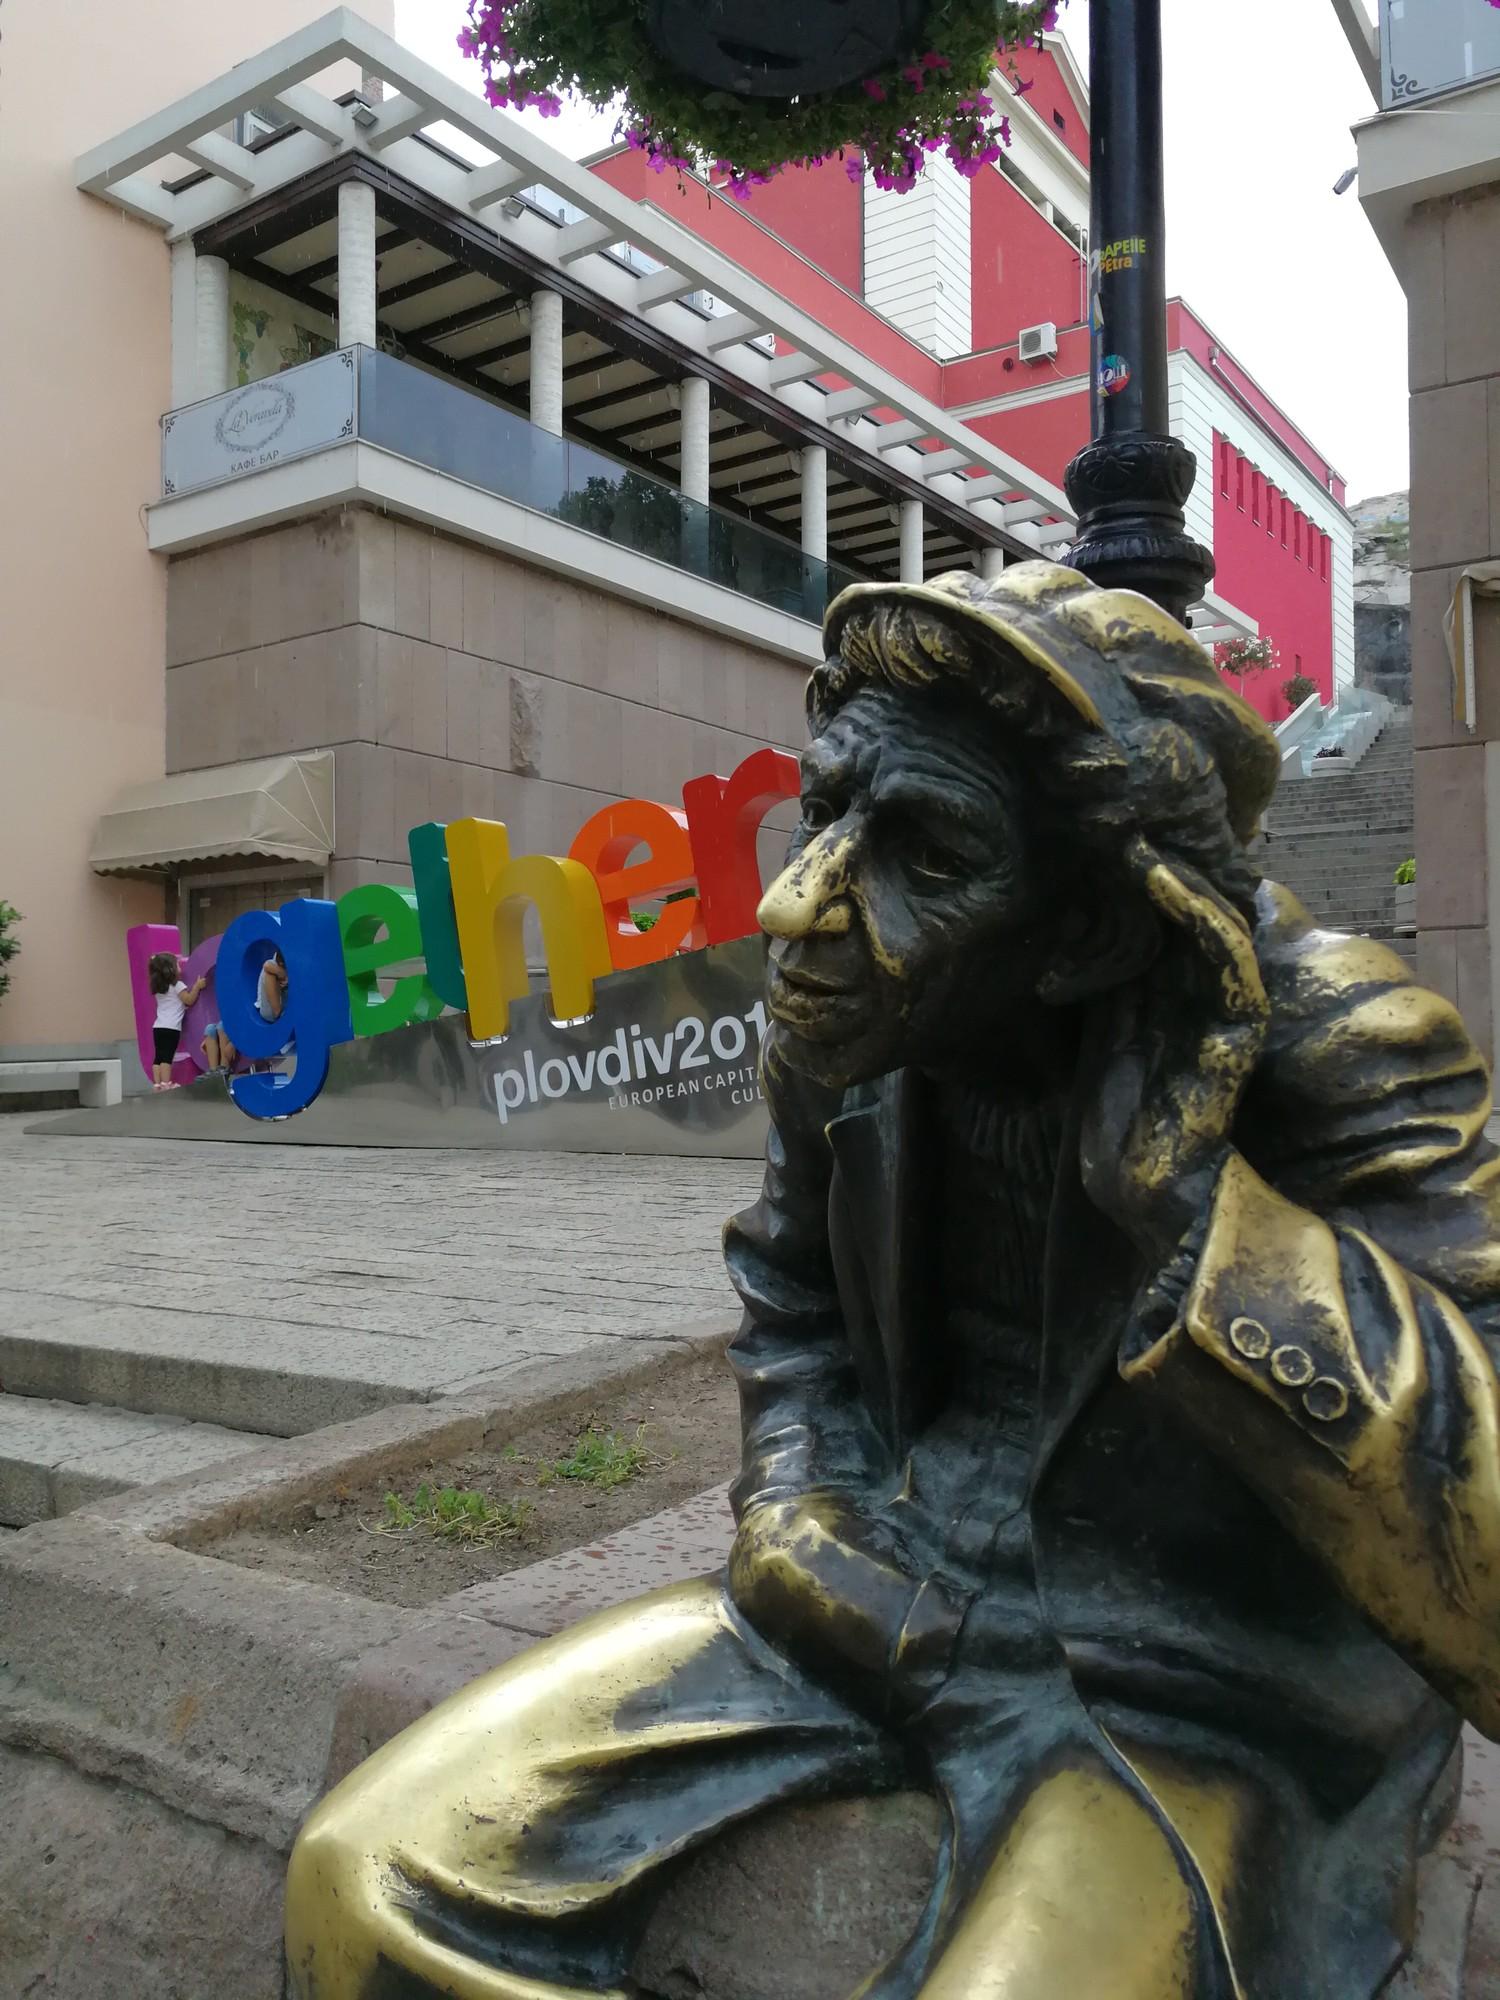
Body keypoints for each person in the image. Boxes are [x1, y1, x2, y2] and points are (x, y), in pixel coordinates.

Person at [285, 563, 1500, 2000]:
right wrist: (798, 1516)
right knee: (361, 1886)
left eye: (927, 850)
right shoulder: (848, 1020)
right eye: (827, 816)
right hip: (876, 1593)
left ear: (1100, 926)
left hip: (1198, 1686)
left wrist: (1196, 1217)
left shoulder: (1340, 1040)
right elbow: (791, 1302)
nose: (802, 902)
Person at [147, 951, 205, 1090]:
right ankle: (166, 1084)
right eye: (177, 965)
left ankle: (157, 1083)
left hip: (158, 1027)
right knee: (167, 1057)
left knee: (158, 1057)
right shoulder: (178, 985)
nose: (180, 967)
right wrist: (197, 986)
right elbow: (189, 1000)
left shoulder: (159, 988)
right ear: (170, 969)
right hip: (171, 1028)